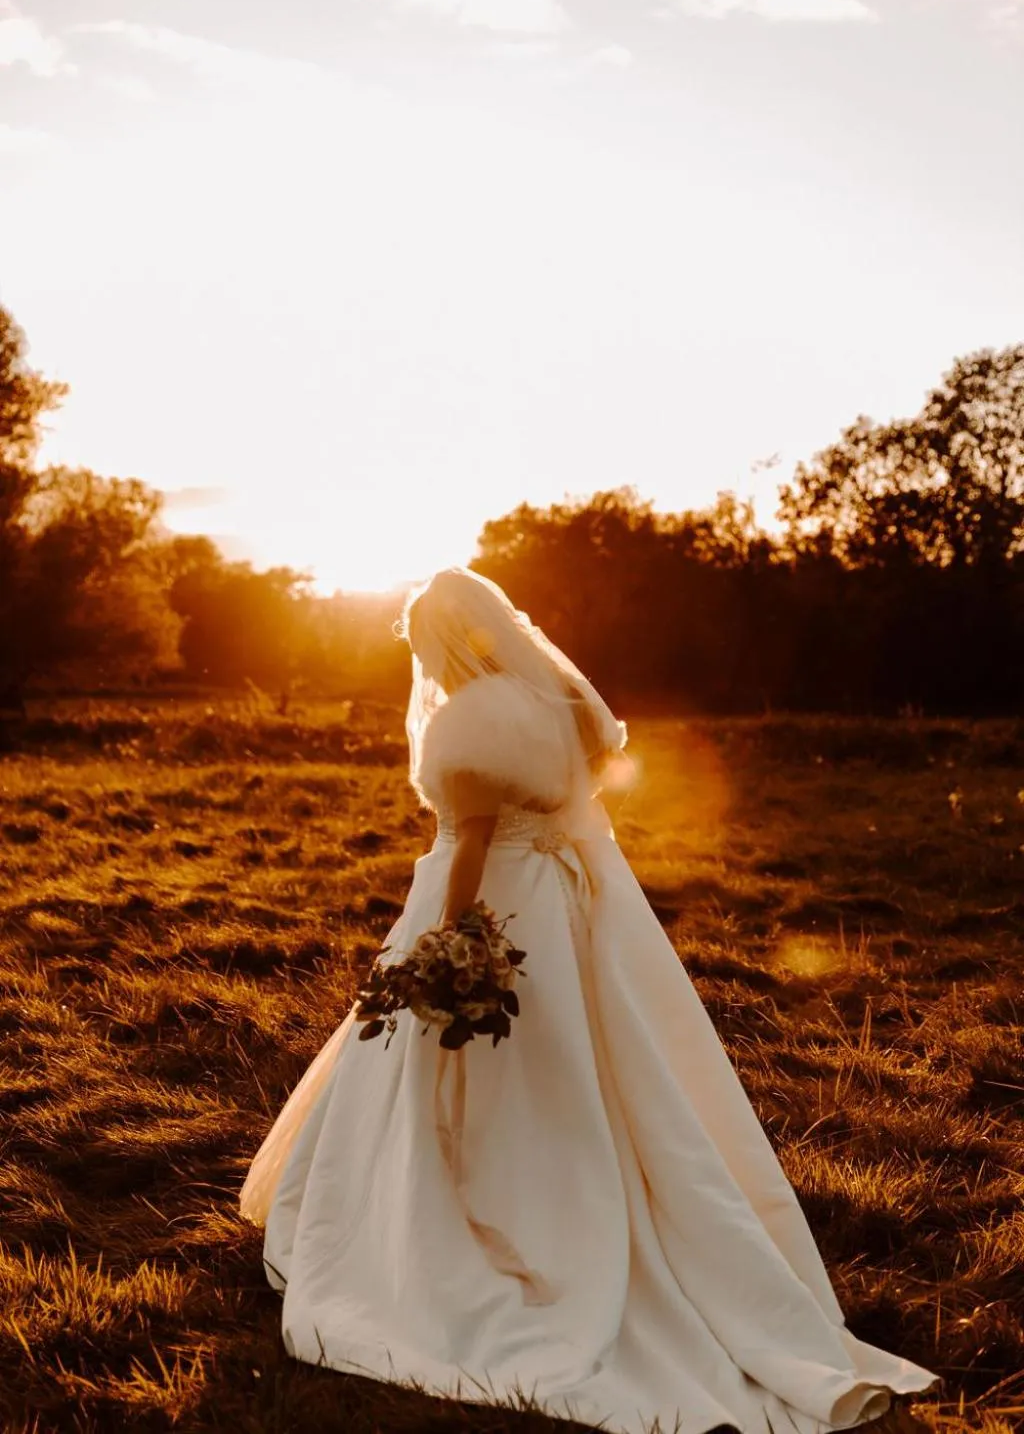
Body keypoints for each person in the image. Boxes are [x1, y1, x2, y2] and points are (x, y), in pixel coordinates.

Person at [239, 566, 936, 1434]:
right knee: (609, 1058)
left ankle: (468, 1214)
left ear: (447, 641)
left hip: (495, 894)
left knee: (470, 1063)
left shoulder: (470, 720)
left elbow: (472, 843)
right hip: (572, 903)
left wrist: (452, 940)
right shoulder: (560, 697)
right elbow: (584, 784)